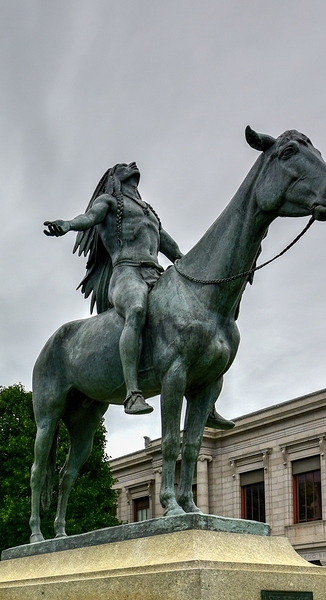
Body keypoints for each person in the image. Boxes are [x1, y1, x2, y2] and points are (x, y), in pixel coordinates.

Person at [44, 162, 233, 428]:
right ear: (114, 178)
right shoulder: (108, 202)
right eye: (123, 166)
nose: (131, 165)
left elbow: (172, 248)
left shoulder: (149, 213)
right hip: (126, 274)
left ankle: (206, 403)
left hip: (156, 274)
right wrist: (67, 224)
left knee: (193, 318)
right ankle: (133, 393)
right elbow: (88, 218)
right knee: (136, 310)